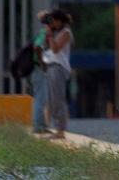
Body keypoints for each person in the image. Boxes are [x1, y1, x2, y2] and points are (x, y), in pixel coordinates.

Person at [42, 9, 74, 140]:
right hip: (52, 66)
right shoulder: (57, 32)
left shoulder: (66, 33)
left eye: (53, 21)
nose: (51, 24)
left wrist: (49, 35)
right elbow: (41, 16)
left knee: (58, 99)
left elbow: (55, 49)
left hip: (59, 68)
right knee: (52, 100)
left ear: (59, 21)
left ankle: (60, 130)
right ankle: (57, 129)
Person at [30, 10, 51, 134]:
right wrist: (43, 64)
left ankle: (42, 126)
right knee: (40, 98)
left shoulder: (44, 32)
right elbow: (37, 47)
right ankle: (38, 126)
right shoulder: (45, 33)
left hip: (38, 69)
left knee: (42, 98)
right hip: (39, 69)